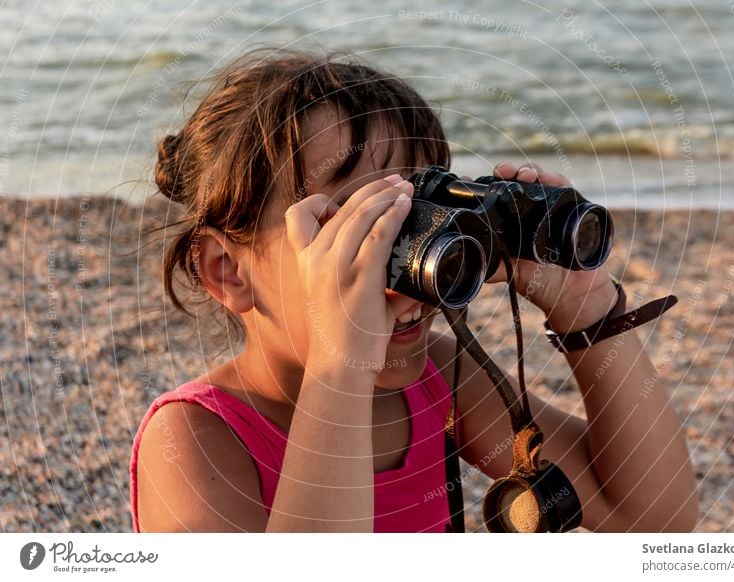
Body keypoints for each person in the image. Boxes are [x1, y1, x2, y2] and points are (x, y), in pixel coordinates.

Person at [129, 48, 699, 533]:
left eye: (419, 223)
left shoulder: (440, 380)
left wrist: (589, 314)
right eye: (357, 229)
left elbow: (647, 518)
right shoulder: (193, 439)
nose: (403, 272)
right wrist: (341, 367)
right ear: (228, 271)